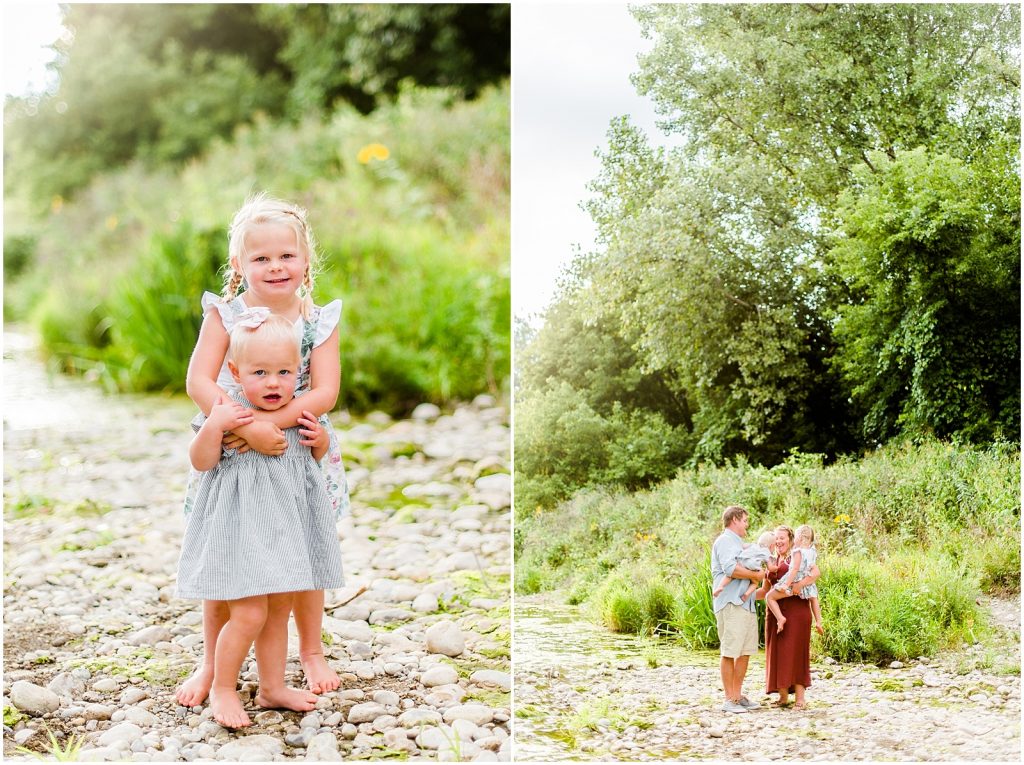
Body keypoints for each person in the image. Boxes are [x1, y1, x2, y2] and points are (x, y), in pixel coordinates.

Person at [176, 193, 349, 706]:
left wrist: (271, 422)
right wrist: (242, 426)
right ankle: (212, 663)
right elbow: (198, 381)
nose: (276, 267)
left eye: (286, 256)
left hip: (294, 440)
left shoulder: (318, 319)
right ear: (239, 265)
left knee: (300, 547)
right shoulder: (226, 314)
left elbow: (323, 392)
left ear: (306, 261)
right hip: (231, 440)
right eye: (261, 258)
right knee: (225, 556)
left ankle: (309, 650)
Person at [756, 525, 820, 710]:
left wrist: (800, 584)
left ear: (791, 539)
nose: (778, 541)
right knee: (777, 653)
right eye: (776, 538)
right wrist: (741, 597)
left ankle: (800, 699)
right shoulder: (772, 560)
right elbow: (765, 590)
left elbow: (815, 573)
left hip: (797, 610)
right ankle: (783, 696)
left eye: (782, 538)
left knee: (797, 653)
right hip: (775, 612)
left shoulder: (797, 555)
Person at [710, 505, 766, 713]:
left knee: (745, 651)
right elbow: (730, 568)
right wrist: (755, 576)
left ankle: (737, 695)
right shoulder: (724, 541)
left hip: (746, 603)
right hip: (731, 602)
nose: (747, 524)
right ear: (734, 519)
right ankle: (729, 699)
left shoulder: (739, 544)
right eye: (744, 520)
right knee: (730, 651)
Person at [712, 530, 777, 602]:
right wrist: (776, 568)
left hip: (742, 560)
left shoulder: (753, 545)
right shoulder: (767, 552)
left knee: (730, 575)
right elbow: (770, 568)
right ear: (771, 546)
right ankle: (746, 594)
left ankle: (720, 587)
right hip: (753, 565)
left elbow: (741, 546)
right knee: (755, 583)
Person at [793, 524, 823, 634]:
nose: (794, 540)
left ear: (800, 538)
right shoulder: (812, 551)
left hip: (799, 580)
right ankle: (819, 622)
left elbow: (795, 568)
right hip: (810, 581)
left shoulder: (799, 552)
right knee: (814, 599)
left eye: (795, 537)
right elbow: (812, 566)